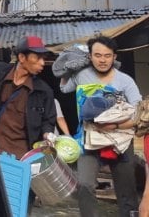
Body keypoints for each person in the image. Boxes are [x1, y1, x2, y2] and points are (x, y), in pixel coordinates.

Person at [60, 35, 141, 217]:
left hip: (120, 140)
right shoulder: (82, 75)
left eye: (107, 55)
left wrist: (116, 125)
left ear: (114, 57)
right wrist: (69, 67)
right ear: (89, 56)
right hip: (90, 138)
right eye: (97, 55)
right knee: (85, 184)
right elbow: (64, 88)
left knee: (127, 190)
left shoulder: (125, 81)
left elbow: (139, 114)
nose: (102, 60)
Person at [0, 35, 57, 159]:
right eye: (37, 58)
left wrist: (47, 134)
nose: (42, 63)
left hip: (22, 156)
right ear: (22, 57)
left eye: (43, 58)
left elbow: (48, 121)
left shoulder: (43, 91)